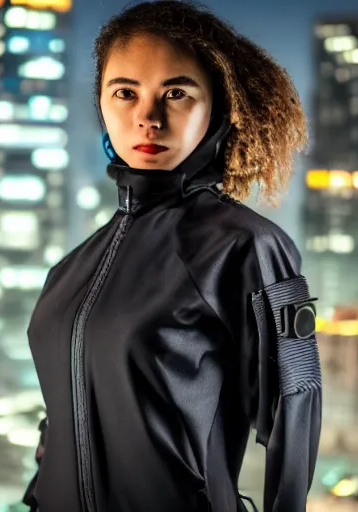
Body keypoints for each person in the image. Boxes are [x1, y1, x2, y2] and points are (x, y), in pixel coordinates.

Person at [23, 1, 322, 511]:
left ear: (218, 108)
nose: (148, 117)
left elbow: (296, 405)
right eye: (125, 93)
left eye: (176, 93)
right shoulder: (69, 269)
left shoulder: (245, 247)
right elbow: (62, 418)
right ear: (101, 103)